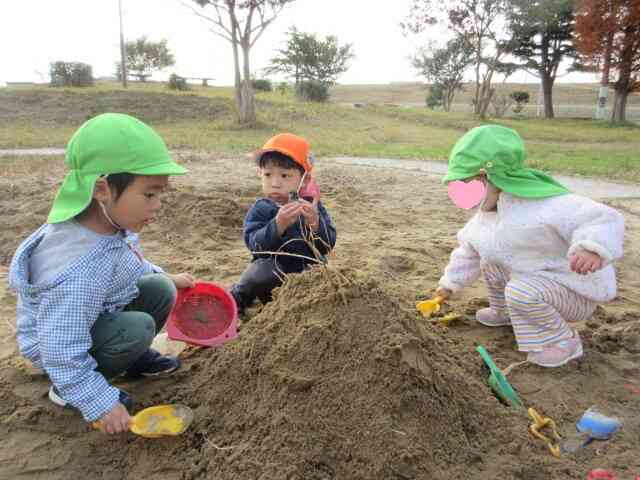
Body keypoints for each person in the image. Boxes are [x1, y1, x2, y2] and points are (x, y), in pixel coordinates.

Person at [9, 113, 195, 433]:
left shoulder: (107, 224)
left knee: (161, 288)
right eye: (150, 194)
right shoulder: (78, 272)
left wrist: (166, 275)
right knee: (138, 327)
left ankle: (131, 359)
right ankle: (67, 391)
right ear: (102, 189)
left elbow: (126, 261)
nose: (158, 205)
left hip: (94, 315)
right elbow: (60, 347)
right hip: (58, 346)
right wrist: (99, 402)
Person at [434, 125, 624, 367]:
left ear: (489, 177)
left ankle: (561, 342)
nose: (462, 194)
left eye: (466, 183)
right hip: (534, 281)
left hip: (573, 288)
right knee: (490, 262)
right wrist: (448, 285)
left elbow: (601, 217)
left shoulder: (546, 204)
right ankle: (503, 312)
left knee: (521, 292)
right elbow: (467, 253)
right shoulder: (485, 218)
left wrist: (592, 247)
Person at [230, 133, 337, 312]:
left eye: (285, 176)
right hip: (273, 278)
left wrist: (315, 223)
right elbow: (255, 245)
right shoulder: (262, 208)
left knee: (325, 274)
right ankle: (236, 300)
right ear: (260, 175)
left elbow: (327, 245)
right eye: (268, 174)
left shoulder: (311, 206)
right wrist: (277, 225)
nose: (275, 183)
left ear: (305, 179)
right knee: (259, 273)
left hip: (306, 276)